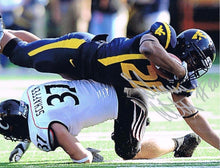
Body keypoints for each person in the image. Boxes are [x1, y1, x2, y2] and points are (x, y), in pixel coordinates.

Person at [0, 16, 219, 154]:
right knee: (21, 54)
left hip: (126, 91)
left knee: (129, 151)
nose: (191, 69)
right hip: (85, 54)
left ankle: (180, 143)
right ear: (183, 50)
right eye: (192, 61)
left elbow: (192, 116)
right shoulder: (166, 36)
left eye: (196, 66)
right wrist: (179, 69)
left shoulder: (183, 79)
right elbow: (148, 50)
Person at [0, 79, 200, 163]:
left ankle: (181, 143)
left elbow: (83, 158)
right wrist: (23, 145)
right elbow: (37, 117)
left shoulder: (44, 125)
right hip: (115, 81)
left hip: (129, 101)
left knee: (128, 152)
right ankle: (134, 125)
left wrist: (82, 153)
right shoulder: (29, 94)